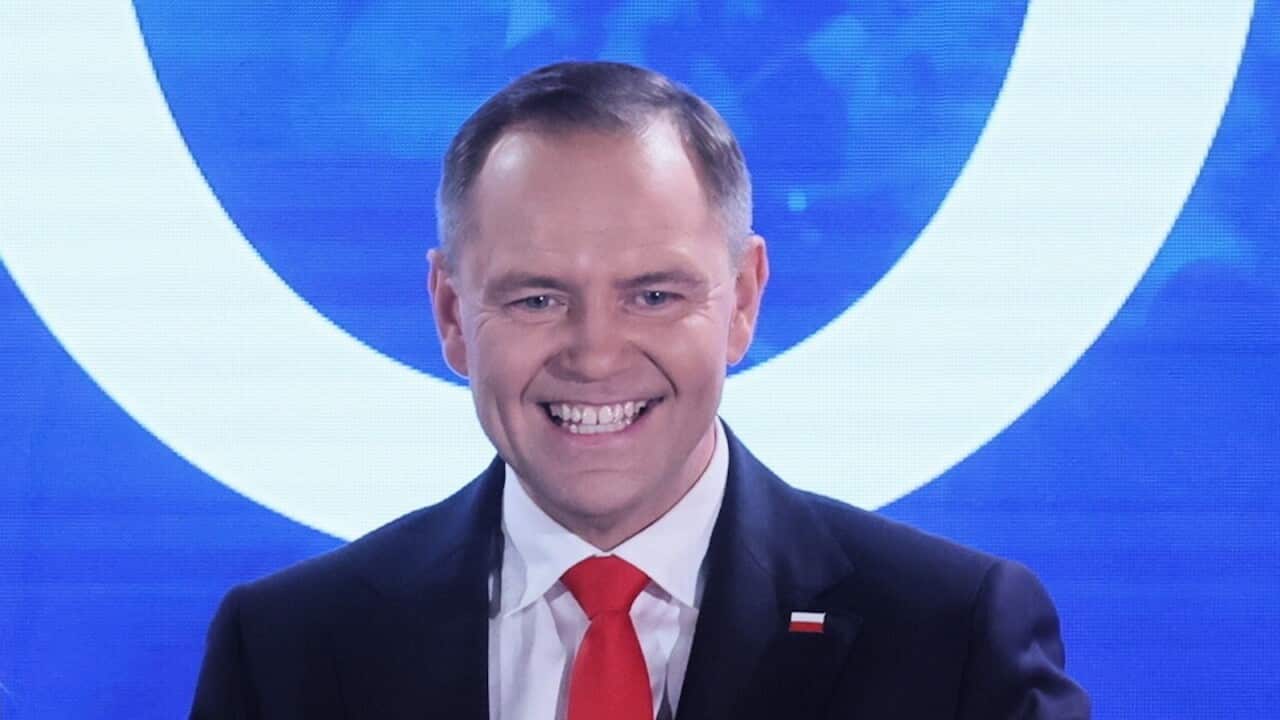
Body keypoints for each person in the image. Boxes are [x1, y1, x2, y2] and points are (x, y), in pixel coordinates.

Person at [191, 60, 1090, 719]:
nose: (594, 354)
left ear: (743, 301)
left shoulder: (951, 640)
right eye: (537, 298)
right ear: (453, 315)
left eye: (653, 296)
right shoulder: (288, 651)